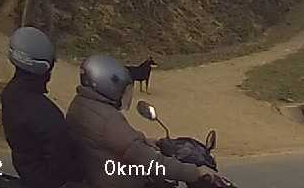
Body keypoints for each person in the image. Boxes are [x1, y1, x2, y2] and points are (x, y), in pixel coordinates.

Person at [67, 54, 224, 187]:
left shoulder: (82, 104)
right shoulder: (108, 119)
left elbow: (117, 142)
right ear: (108, 86)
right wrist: (195, 172)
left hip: (99, 175)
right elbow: (152, 163)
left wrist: (143, 141)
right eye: (123, 89)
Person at [0, 26, 85, 188]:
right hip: (50, 181)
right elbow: (63, 160)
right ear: (45, 68)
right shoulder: (43, 111)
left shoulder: (11, 93)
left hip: (27, 169)